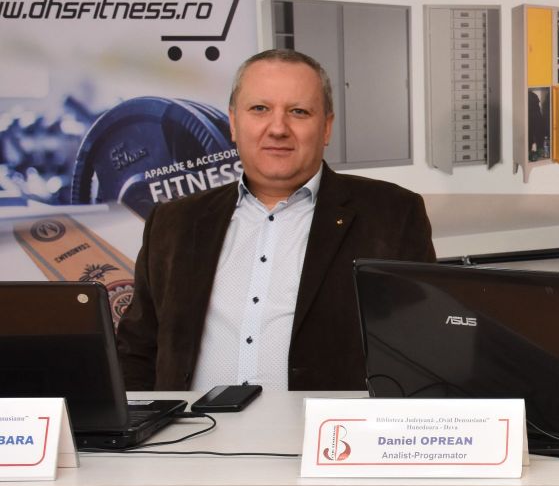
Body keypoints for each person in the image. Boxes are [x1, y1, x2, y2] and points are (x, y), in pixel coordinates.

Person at [115, 50, 436, 392]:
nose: (278, 128)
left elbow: (421, 349)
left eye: (298, 112)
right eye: (259, 109)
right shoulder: (173, 222)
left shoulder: (392, 215)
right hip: (191, 427)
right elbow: (137, 352)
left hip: (324, 427)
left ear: (326, 127)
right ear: (234, 123)